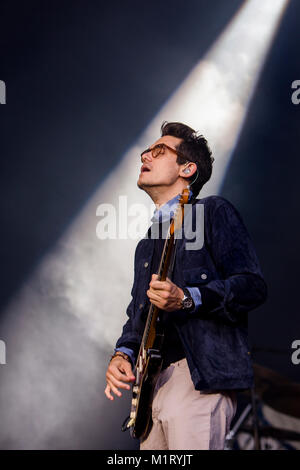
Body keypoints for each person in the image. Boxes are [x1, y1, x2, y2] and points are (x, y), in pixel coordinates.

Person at [104, 121, 267, 450]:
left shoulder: (212, 212)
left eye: (159, 150)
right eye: (146, 150)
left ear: (188, 168)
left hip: (196, 379)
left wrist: (189, 298)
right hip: (151, 390)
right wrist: (122, 354)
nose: (145, 156)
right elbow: (138, 315)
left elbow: (252, 286)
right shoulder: (146, 244)